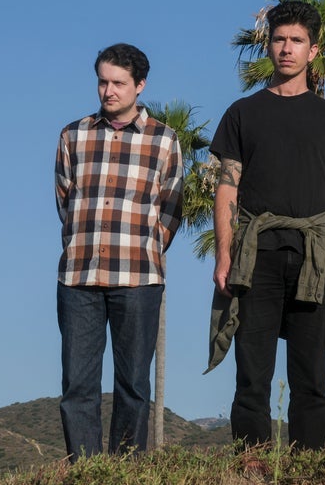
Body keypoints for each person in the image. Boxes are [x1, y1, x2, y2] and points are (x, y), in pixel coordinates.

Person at [205, 0, 325, 451]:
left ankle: (308, 463)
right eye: (279, 39)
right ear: (269, 46)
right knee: (252, 369)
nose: (287, 48)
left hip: (314, 253)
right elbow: (227, 188)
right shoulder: (243, 112)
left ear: (313, 51)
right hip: (257, 254)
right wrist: (223, 255)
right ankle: (251, 460)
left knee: (311, 372)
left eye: (296, 41)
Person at [54, 43, 184, 461]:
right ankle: (87, 472)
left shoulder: (164, 140)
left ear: (140, 85)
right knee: (77, 385)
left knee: (133, 385)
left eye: (118, 83)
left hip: (138, 278)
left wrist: (145, 247)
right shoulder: (73, 135)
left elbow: (171, 209)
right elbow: (65, 201)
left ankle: (126, 470)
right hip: (79, 277)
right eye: (102, 82)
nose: (108, 91)